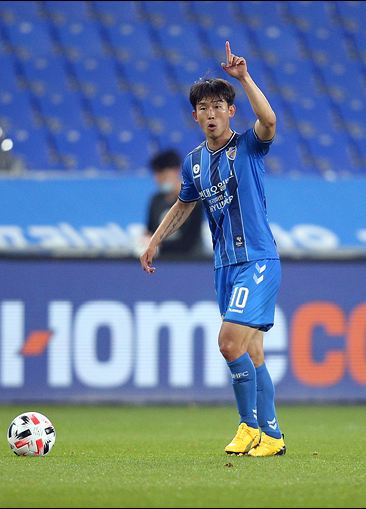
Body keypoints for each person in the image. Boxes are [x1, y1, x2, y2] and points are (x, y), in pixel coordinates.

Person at [140, 41, 285, 457]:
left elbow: (269, 121)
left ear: (230, 111)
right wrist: (155, 240)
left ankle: (248, 425)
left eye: (218, 106)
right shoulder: (193, 163)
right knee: (252, 352)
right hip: (225, 266)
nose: (211, 114)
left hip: (257, 259)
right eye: (203, 108)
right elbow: (183, 205)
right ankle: (272, 436)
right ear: (195, 116)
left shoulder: (248, 145)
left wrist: (245, 78)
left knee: (228, 343)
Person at [145, 149, 204, 258]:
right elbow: (150, 231)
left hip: (189, 260)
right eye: (157, 175)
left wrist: (158, 246)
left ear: (176, 171)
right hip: (161, 261)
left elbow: (191, 240)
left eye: (164, 175)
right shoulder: (156, 200)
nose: (160, 179)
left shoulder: (194, 200)